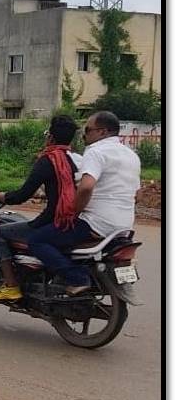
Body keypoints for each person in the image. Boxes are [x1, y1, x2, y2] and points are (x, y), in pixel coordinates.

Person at [27, 111, 141, 295]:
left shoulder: (95, 152)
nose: (84, 135)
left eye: (88, 130)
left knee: (36, 239)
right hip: (124, 226)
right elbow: (138, 195)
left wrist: (73, 212)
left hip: (96, 223)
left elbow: (86, 187)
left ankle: (77, 278)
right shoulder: (131, 155)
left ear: (103, 132)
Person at [0, 115, 82, 301]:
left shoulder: (47, 160)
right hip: (71, 219)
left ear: (50, 137)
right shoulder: (74, 159)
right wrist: (44, 194)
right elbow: (65, 189)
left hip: (51, 221)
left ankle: (11, 286)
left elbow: (21, 195)